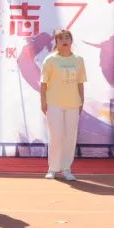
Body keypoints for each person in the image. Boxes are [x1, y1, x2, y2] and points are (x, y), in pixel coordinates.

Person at [40, 28, 86, 181]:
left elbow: (80, 83)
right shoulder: (50, 60)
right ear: (56, 42)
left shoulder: (78, 60)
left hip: (73, 103)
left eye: (67, 38)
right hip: (54, 103)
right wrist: (43, 101)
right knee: (56, 136)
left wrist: (81, 101)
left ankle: (66, 168)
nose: (64, 41)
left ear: (71, 41)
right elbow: (43, 83)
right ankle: (53, 168)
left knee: (70, 136)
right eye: (61, 38)